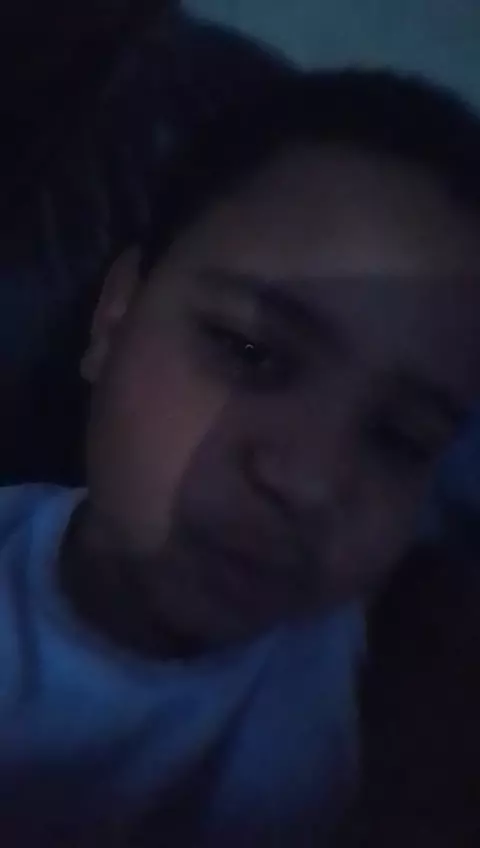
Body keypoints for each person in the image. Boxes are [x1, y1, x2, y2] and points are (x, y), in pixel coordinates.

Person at [1, 68, 480, 846]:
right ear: (115, 319)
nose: (313, 482)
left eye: (401, 438)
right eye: (249, 349)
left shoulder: (402, 696)